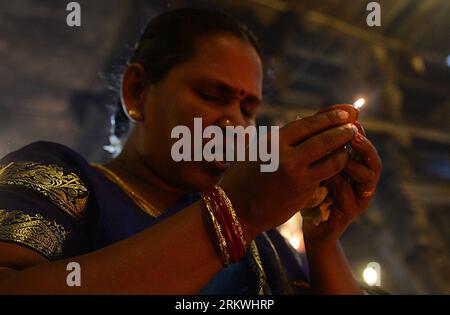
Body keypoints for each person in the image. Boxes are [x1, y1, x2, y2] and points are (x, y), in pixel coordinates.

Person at [0, 7, 381, 294]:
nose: (233, 123)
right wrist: (234, 216)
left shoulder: (264, 244)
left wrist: (324, 242)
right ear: (137, 91)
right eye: (212, 95)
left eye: (248, 110)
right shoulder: (60, 178)